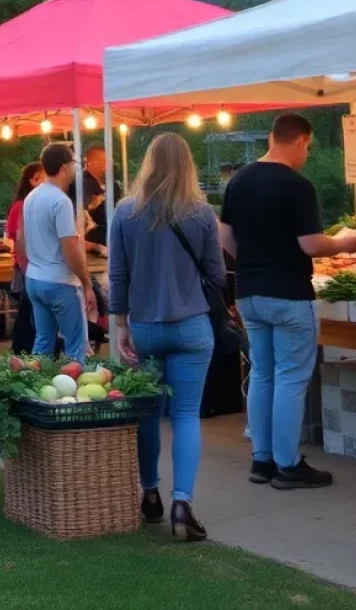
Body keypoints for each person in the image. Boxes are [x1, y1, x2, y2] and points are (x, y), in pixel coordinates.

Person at [220, 114, 356, 491]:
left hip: (249, 292)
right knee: (290, 378)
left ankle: (262, 459)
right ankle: (288, 464)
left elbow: (225, 237)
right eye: (310, 147)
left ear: (272, 137)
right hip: (288, 293)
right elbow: (311, 244)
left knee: (263, 375)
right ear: (302, 141)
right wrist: (346, 243)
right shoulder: (297, 185)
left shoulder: (239, 179)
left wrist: (253, 264)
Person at [109, 133, 223, 542]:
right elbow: (216, 272)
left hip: (145, 328)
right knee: (186, 414)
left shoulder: (125, 212)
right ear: (188, 165)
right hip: (192, 324)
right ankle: (182, 504)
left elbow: (117, 275)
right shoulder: (201, 213)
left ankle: (150, 493)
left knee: (148, 414)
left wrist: (120, 325)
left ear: (149, 163)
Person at [16, 143, 97, 364]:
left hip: (35, 277)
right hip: (60, 281)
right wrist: (86, 282)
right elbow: (70, 248)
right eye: (74, 164)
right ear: (64, 167)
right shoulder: (61, 202)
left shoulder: (32, 196)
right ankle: (75, 397)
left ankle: (32, 391)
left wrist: (31, 266)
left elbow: (20, 237)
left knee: (42, 342)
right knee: (76, 347)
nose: (75, 169)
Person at [68, 145, 122, 250]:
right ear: (92, 163)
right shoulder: (85, 182)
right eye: (105, 161)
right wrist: (92, 206)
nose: (108, 165)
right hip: (91, 236)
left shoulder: (105, 184)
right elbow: (80, 212)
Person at [5, 161, 44, 291]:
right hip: (29, 268)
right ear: (34, 180)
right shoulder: (20, 206)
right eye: (45, 178)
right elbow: (15, 239)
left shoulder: (44, 204)